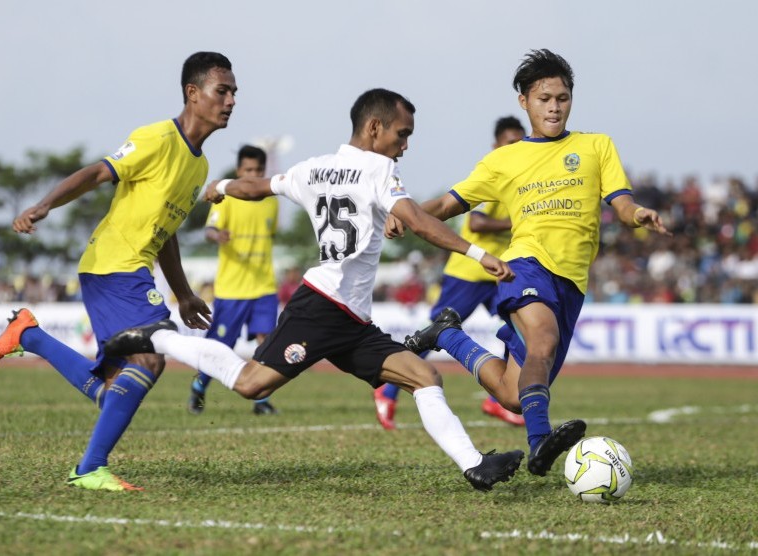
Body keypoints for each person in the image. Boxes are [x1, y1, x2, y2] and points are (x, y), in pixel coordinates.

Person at [105, 88, 525, 492]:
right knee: (253, 384)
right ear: (375, 128)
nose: (406, 145)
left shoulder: (313, 169)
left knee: (423, 375)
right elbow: (416, 220)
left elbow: (258, 187)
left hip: (352, 319)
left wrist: (222, 187)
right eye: (403, 133)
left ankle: (474, 465)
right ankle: (156, 337)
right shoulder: (379, 170)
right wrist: (476, 253)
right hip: (322, 307)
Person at [387, 49, 670, 477]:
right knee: (542, 339)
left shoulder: (597, 146)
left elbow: (622, 203)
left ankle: (447, 335)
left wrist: (638, 215)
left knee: (513, 393)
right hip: (526, 265)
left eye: (562, 97)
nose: (554, 107)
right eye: (544, 99)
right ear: (524, 101)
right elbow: (450, 202)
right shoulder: (505, 159)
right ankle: (540, 443)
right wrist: (403, 214)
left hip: (572, 280)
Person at [0, 51, 238, 491]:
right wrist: (45, 205)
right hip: (113, 266)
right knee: (150, 356)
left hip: (130, 270)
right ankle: (88, 468)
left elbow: (166, 233)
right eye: (222, 91)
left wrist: (184, 293)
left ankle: (27, 334)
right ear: (193, 94)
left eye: (234, 92)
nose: (231, 100)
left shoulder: (200, 167)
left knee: (114, 385)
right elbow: (99, 172)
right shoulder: (157, 137)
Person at [373, 116, 527, 430]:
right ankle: (387, 389)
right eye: (511, 142)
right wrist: (519, 222)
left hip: (498, 273)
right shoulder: (496, 176)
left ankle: (498, 398)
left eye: (521, 142)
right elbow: (477, 223)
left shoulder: (520, 179)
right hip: (469, 273)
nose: (517, 148)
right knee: (433, 334)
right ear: (496, 145)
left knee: (520, 329)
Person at [188, 145, 280, 416]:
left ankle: (261, 401)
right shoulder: (226, 198)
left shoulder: (271, 200)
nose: (252, 175)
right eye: (248, 170)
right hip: (232, 288)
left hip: (264, 285)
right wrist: (217, 236)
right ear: (239, 171)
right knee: (220, 347)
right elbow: (209, 230)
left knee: (267, 342)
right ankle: (199, 387)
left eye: (258, 170)